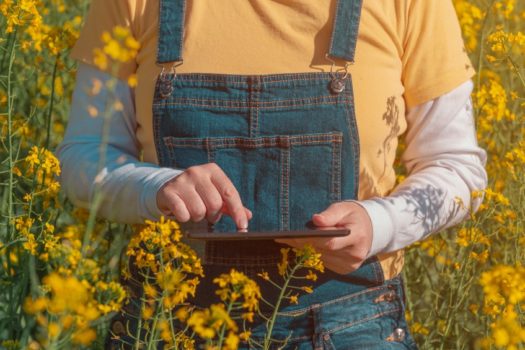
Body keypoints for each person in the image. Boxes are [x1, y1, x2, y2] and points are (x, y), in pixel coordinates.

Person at [57, 0, 487, 348]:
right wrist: (158, 187)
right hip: (171, 321)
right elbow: (85, 157)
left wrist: (379, 223)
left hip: (350, 324)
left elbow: (456, 166)